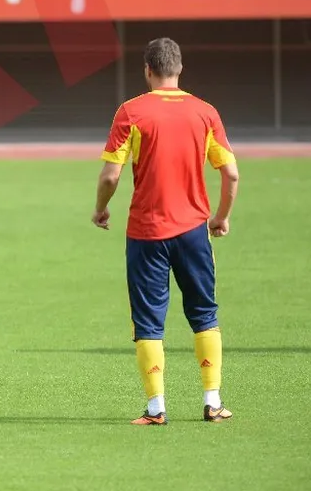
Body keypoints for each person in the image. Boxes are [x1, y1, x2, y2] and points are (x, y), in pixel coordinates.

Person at [93, 37, 240, 426]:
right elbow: (231, 174)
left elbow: (110, 176)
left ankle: (157, 407)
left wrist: (101, 208)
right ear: (179, 68)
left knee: (148, 320)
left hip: (146, 233)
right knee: (204, 312)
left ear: (147, 70)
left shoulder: (131, 112)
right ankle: (212, 401)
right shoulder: (205, 112)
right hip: (193, 231)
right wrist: (221, 216)